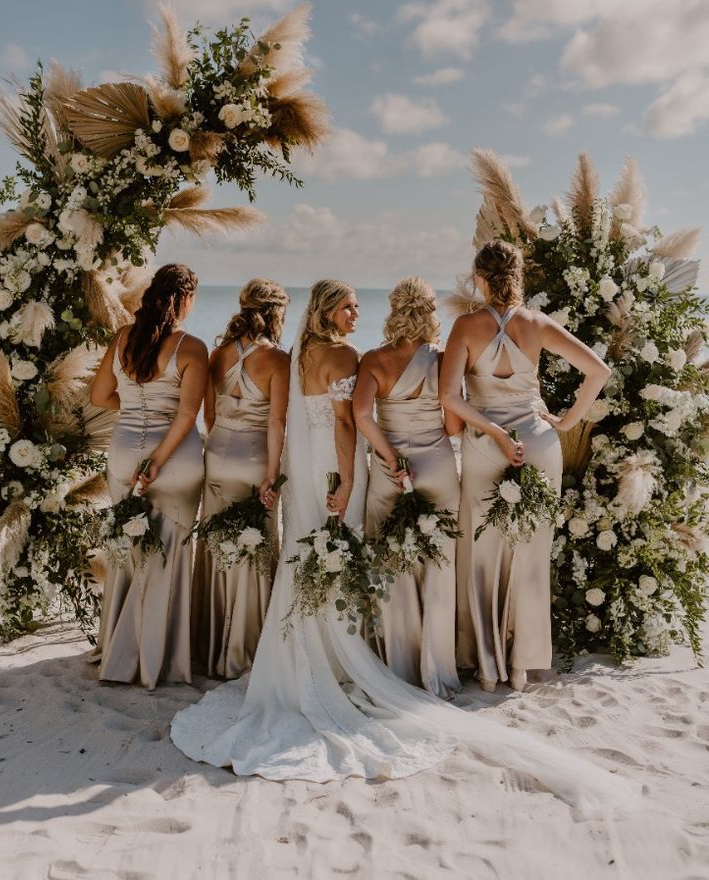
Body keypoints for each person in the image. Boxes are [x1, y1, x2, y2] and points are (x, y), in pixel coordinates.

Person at [170, 278, 634, 818]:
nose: (356, 313)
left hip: (310, 469)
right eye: (349, 306)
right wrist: (348, 478)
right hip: (353, 469)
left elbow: (335, 417)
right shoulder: (361, 356)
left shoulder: (307, 356)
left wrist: (357, 461)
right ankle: (395, 660)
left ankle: (332, 648)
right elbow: (362, 424)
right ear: (329, 310)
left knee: (318, 555)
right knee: (377, 559)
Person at [440, 240, 610, 693]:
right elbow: (599, 372)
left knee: (482, 549)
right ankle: (522, 664)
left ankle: (487, 666)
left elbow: (450, 398)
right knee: (530, 552)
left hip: (483, 442)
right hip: (537, 440)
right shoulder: (538, 324)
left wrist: (494, 433)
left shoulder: (464, 326)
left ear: (479, 277)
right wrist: (566, 420)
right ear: (517, 276)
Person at [90, 264, 207, 689]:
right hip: (174, 460)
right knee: (168, 553)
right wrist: (157, 458)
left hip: (123, 453)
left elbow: (99, 395)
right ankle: (157, 655)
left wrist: (136, 411)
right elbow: (188, 415)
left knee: (127, 550)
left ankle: (116, 650)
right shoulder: (190, 347)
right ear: (185, 299)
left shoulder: (122, 339)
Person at [354, 277, 461, 697]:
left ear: (394, 310)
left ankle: (391, 663)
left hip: (388, 471)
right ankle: (435, 667)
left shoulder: (374, 359)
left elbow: (363, 415)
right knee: (439, 566)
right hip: (435, 465)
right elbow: (453, 423)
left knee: (386, 561)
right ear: (431, 313)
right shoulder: (444, 359)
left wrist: (390, 457)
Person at [191, 279, 290, 678]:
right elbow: (277, 421)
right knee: (255, 547)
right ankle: (246, 647)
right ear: (275, 313)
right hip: (253, 458)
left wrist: (218, 442)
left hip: (216, 454)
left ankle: (211, 642)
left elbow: (208, 414)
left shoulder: (217, 354)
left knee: (216, 545)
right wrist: (272, 474)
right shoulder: (277, 360)